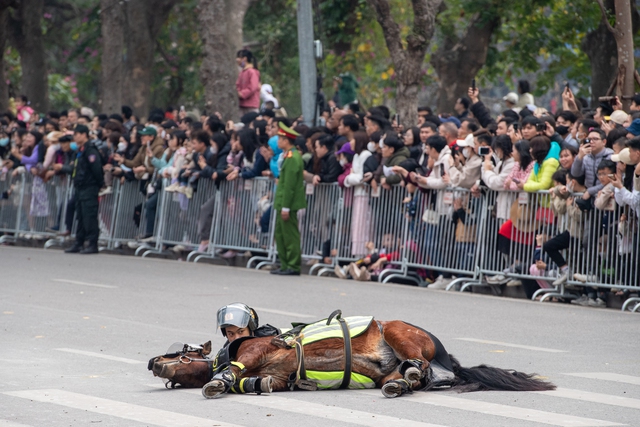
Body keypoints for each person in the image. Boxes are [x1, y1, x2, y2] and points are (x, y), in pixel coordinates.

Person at [209, 303, 281, 394]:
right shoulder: (227, 352)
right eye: (231, 334)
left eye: (241, 331)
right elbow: (218, 375)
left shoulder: (270, 334)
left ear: (250, 328)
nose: (237, 338)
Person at [272, 122, 306, 276]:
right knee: (280, 235)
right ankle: (285, 264)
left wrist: (286, 207)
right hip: (282, 202)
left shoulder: (293, 158)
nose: (278, 141)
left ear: (286, 141)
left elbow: (290, 186)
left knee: (290, 235)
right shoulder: (288, 156)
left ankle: (293, 265)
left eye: (280, 138)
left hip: (289, 204)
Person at [64, 125, 104, 254]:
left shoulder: (90, 150)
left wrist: (98, 184)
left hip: (89, 187)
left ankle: (92, 243)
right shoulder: (79, 151)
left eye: (77, 134)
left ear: (84, 135)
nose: (75, 137)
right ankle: (79, 242)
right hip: (80, 187)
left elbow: (96, 169)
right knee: (80, 216)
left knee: (89, 216)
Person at [236, 49, 261, 116]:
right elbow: (237, 85)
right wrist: (237, 91)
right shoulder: (241, 72)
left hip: (251, 105)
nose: (237, 59)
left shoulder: (252, 72)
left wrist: (242, 94)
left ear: (244, 59)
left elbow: (253, 87)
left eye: (239, 57)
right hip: (242, 105)